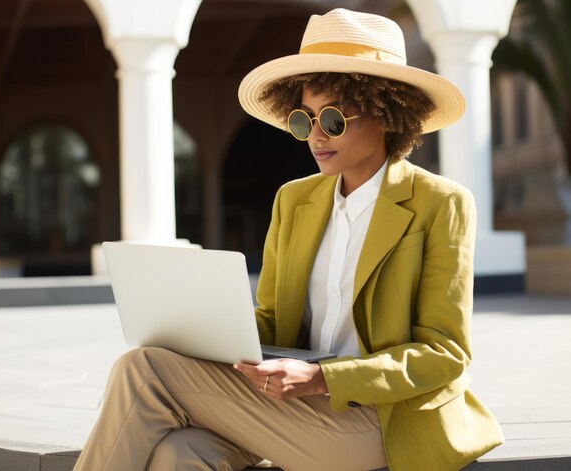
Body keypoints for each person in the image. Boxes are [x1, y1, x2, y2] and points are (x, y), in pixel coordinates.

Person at [73, 8, 504, 471]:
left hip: (382, 421)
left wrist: (322, 378)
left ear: (386, 114)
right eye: (304, 119)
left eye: (334, 120)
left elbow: (444, 355)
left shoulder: (440, 203)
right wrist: (203, 333)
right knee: (180, 455)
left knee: (141, 370)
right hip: (293, 409)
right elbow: (276, 321)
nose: (315, 136)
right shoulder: (294, 199)